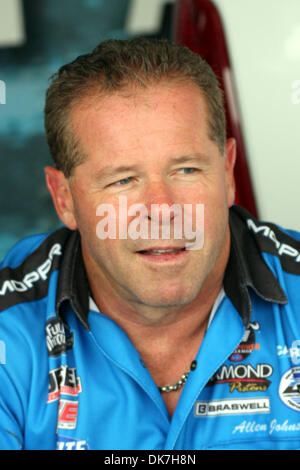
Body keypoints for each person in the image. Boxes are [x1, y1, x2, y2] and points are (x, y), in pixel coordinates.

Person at [0, 38, 300, 451]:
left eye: (187, 169)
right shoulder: (10, 330)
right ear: (64, 199)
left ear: (228, 173)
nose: (162, 209)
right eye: (123, 180)